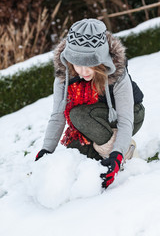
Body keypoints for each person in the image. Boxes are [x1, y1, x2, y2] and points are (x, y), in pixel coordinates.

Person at [35, 19, 145, 188]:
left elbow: (125, 120)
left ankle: (125, 151)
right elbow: (57, 116)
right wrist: (45, 151)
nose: (83, 71)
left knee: (79, 115)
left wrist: (115, 156)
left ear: (101, 60)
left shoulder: (117, 74)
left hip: (131, 113)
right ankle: (107, 147)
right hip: (95, 118)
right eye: (78, 64)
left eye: (91, 65)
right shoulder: (64, 76)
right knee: (76, 150)